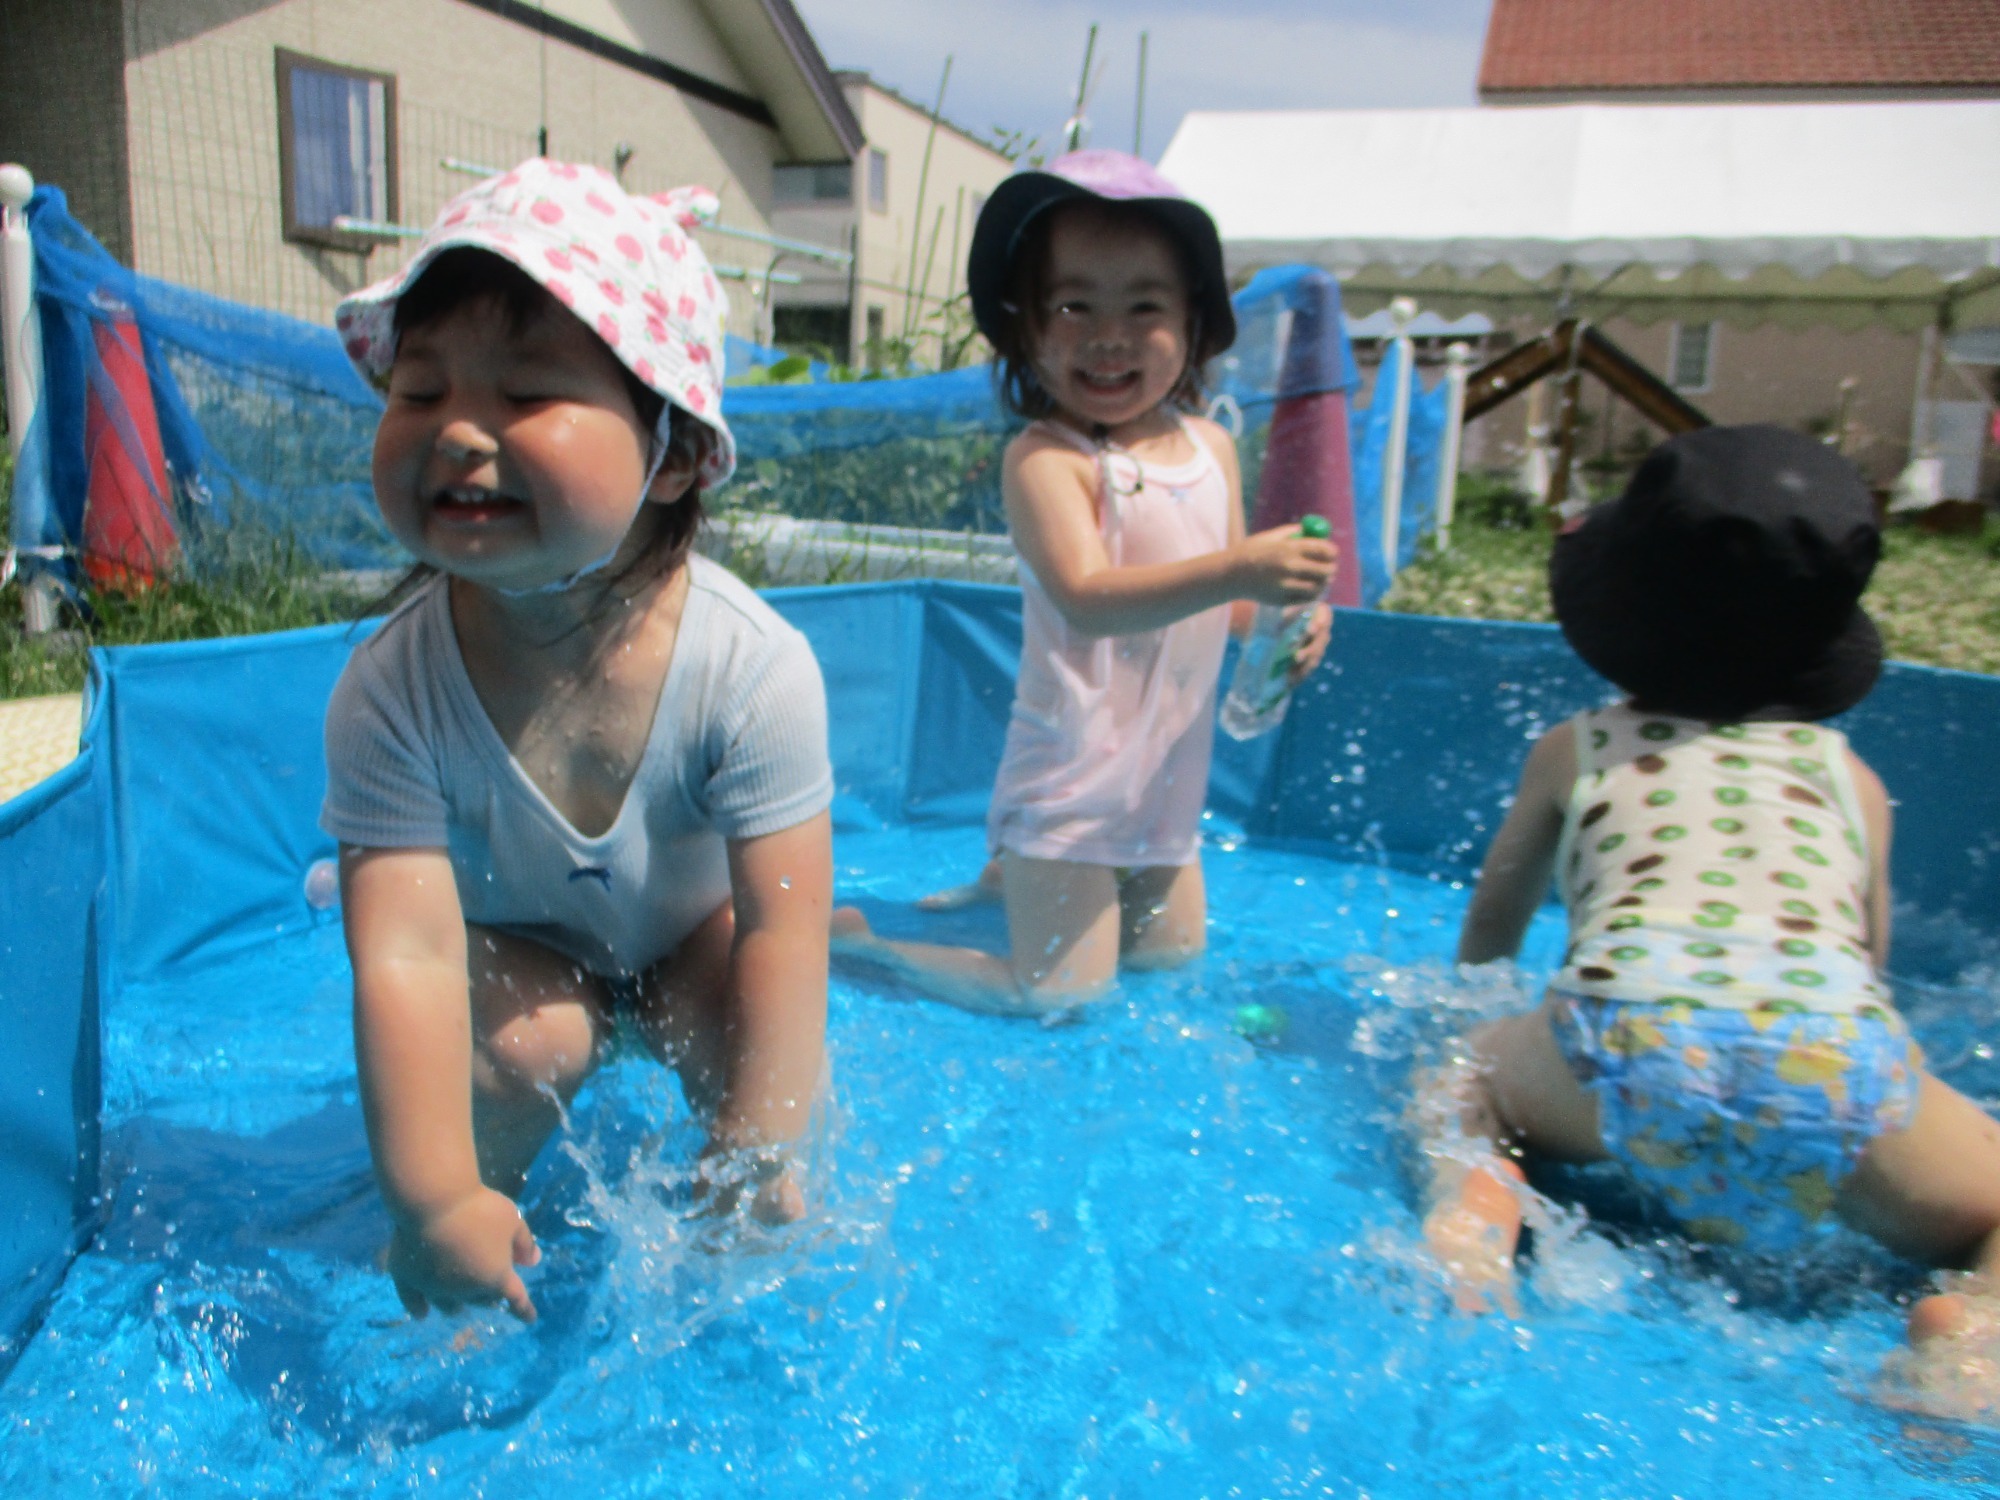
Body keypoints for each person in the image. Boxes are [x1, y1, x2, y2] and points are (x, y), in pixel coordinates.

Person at [321, 159, 834, 1324]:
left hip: (687, 943)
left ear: (674, 455)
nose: (459, 430)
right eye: (421, 388)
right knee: (512, 1048)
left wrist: (758, 1146)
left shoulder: (752, 670)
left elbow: (785, 925)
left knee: (745, 1038)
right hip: (520, 953)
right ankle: (474, 1251)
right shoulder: (390, 687)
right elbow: (401, 958)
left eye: (526, 393)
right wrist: (431, 1199)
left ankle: (734, 1227)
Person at [1420, 425, 2000, 1410]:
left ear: (1622, 612)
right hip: (1831, 1064)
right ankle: (1970, 1336)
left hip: (1622, 1043)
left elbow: (1492, 923)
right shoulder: (1848, 779)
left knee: (1455, 1080)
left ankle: (1473, 1223)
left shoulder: (1577, 747)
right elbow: (1864, 969)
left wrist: (1466, 1019)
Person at [830, 150, 1338, 1014]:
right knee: (1059, 996)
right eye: (1074, 306)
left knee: (1170, 957)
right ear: (1027, 328)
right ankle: (871, 946)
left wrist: (1279, 620)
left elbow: (1228, 599)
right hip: (1072, 767)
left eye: (1144, 307)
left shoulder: (1210, 446)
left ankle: (1010, 881)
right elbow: (1086, 597)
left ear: (1196, 324)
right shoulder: (1048, 461)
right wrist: (1242, 569)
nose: (1109, 336)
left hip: (1165, 775)